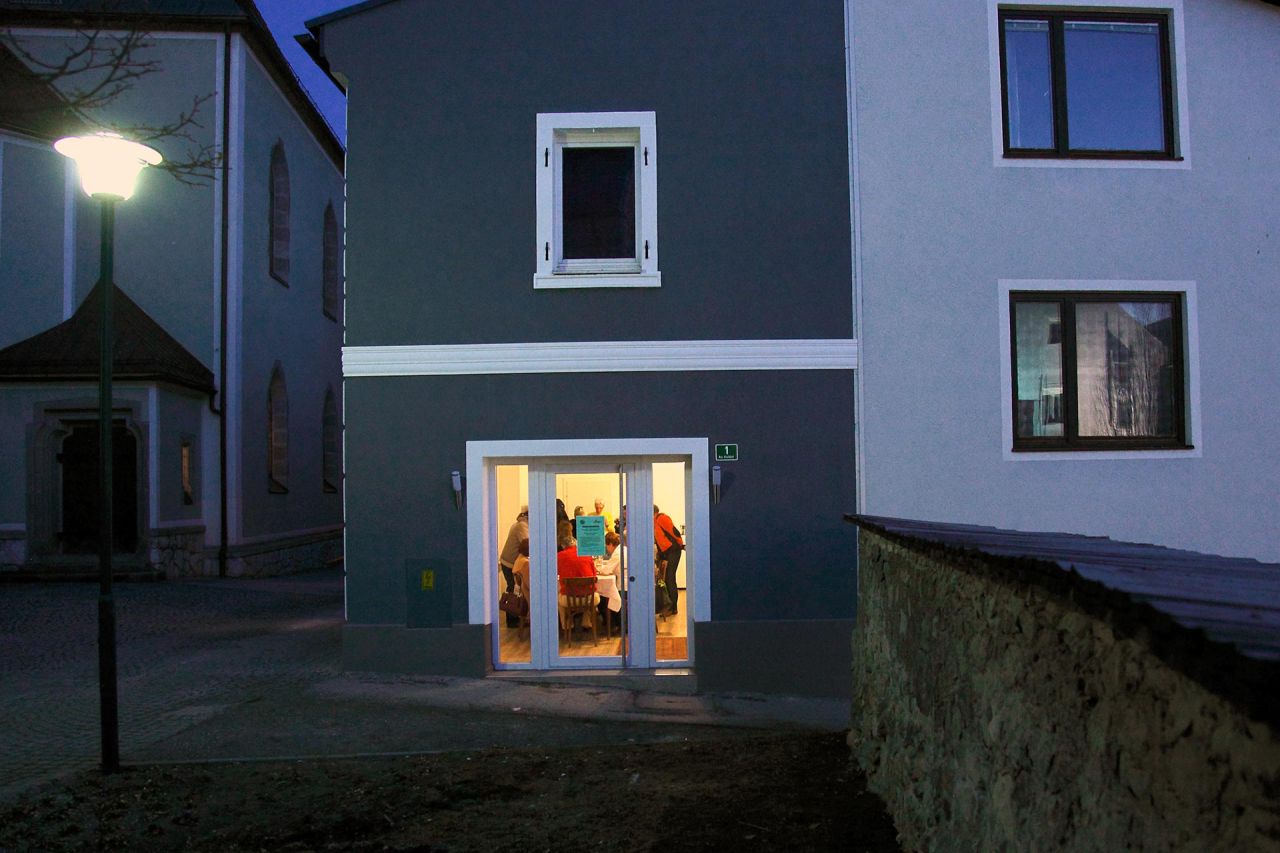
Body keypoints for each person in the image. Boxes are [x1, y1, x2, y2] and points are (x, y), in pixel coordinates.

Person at [556, 526, 596, 636]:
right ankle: (586, 623)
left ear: (563, 546)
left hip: (569, 597)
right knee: (593, 595)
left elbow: (556, 572)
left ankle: (567, 626)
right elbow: (594, 575)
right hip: (588, 598)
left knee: (558, 599)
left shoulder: (559, 556)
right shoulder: (586, 554)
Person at [498, 507, 528, 627]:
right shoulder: (522, 526)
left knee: (514, 588)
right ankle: (512, 619)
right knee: (513, 589)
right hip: (510, 562)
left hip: (509, 561)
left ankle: (515, 617)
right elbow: (527, 544)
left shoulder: (519, 524)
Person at [654, 504, 684, 616]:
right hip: (666, 553)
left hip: (673, 551)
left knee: (670, 578)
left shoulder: (661, 518)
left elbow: (674, 532)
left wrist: (681, 545)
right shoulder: (654, 522)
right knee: (665, 579)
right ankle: (668, 606)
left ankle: (673, 607)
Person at [595, 531, 622, 632]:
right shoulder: (621, 550)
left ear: (610, 544)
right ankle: (609, 623)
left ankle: (611, 623)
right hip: (624, 581)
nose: (607, 549)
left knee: (602, 597)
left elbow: (607, 571)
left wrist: (597, 569)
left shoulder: (617, 554)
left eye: (606, 546)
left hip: (623, 585)